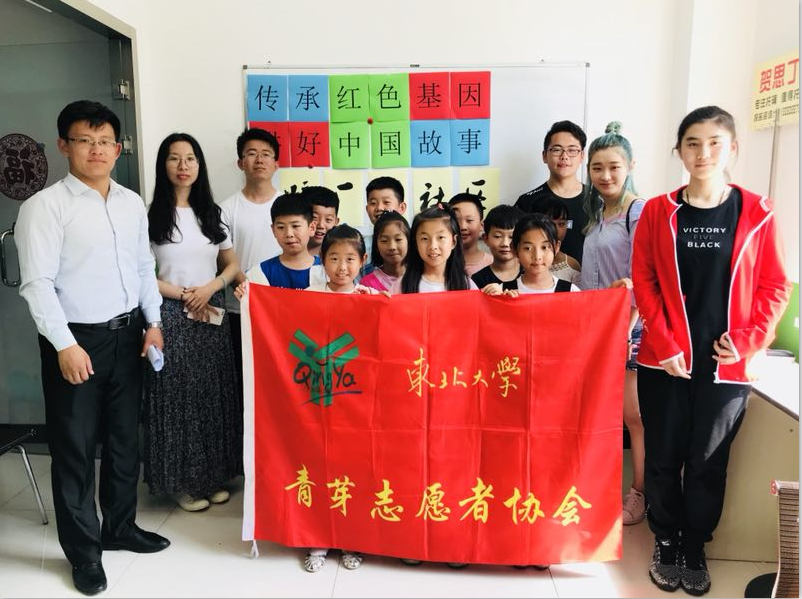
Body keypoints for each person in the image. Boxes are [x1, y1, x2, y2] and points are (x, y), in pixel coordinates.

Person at [632, 106, 791, 595]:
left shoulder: (757, 212)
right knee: (663, 455)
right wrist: (665, 342)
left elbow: (775, 286)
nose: (703, 153)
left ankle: (695, 544)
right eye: (693, 143)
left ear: (732, 149)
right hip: (666, 361)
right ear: (679, 151)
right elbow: (645, 279)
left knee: (708, 460)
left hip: (727, 365)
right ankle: (666, 539)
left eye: (714, 142)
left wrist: (749, 340)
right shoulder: (658, 211)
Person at [15, 100, 169, 596]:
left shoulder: (130, 202)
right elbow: (37, 284)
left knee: (124, 441)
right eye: (85, 140)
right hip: (76, 340)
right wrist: (64, 344)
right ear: (64, 145)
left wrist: (153, 322)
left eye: (105, 142)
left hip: (129, 336)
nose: (96, 150)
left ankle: (120, 528)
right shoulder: (44, 207)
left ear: (118, 149)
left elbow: (143, 267)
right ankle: (84, 553)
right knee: (76, 449)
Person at [144, 133, 242, 513]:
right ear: (163, 166)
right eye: (174, 158)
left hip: (211, 310)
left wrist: (212, 287)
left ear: (199, 165)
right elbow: (139, 272)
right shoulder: (150, 215)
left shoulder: (212, 213)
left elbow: (231, 264)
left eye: (190, 158)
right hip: (170, 312)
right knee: (177, 398)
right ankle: (181, 482)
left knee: (212, 394)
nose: (183, 166)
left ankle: (212, 476)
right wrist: (183, 294)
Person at [580, 122, 647, 528]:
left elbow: (642, 276)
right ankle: (598, 491)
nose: (605, 176)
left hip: (628, 329)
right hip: (597, 327)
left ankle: (639, 493)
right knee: (602, 416)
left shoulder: (638, 212)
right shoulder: (598, 215)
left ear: (630, 166)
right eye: (597, 168)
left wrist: (626, 329)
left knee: (633, 417)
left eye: (614, 167)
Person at [303, 224, 378, 572]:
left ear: (363, 261)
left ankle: (351, 538)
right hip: (318, 397)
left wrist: (378, 307)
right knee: (321, 464)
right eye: (334, 258)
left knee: (354, 469)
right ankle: (318, 538)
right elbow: (281, 319)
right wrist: (249, 295)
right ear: (322, 260)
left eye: (350, 259)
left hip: (358, 400)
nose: (342, 267)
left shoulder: (370, 297)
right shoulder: (308, 296)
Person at [219, 128, 282, 413]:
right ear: (240, 162)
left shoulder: (288, 206)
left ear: (276, 163)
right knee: (246, 387)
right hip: (240, 310)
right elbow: (225, 261)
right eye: (252, 153)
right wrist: (254, 296)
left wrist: (272, 301)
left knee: (282, 386)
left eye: (266, 154)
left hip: (284, 311)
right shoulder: (226, 209)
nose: (259, 159)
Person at [515, 120, 589, 264]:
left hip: (588, 278)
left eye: (572, 150)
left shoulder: (596, 200)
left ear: (582, 156)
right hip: (537, 277)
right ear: (544, 155)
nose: (564, 156)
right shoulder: (527, 202)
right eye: (556, 149)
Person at [235, 192, 324, 290]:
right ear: (273, 230)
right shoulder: (259, 273)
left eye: (295, 226)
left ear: (312, 228)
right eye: (281, 227)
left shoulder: (326, 271)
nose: (289, 234)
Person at [486, 214, 580, 296]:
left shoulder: (571, 292)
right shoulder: (504, 291)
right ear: (515, 249)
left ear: (556, 247)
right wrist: (496, 299)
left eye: (544, 247)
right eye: (528, 248)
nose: (537, 256)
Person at [393, 205, 477, 295]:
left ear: (453, 241)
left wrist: (488, 294)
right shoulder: (402, 285)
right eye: (425, 238)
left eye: (441, 237)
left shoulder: (466, 285)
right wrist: (383, 299)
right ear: (416, 242)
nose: (433, 246)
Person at [528, 196, 582, 286]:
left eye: (561, 224)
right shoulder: (521, 263)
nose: (556, 230)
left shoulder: (572, 265)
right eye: (549, 223)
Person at [471, 204, 525, 292]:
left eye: (511, 237)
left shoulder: (531, 274)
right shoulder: (478, 279)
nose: (505, 243)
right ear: (486, 239)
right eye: (497, 236)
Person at [363, 176, 407, 274]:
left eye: (386, 202)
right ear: (367, 209)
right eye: (373, 203)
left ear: (401, 207)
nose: (379, 208)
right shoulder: (361, 247)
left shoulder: (415, 243)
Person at [359, 210, 409, 292]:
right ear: (376, 246)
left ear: (409, 242)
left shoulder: (419, 280)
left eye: (398, 239)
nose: (392, 247)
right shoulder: (366, 285)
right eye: (384, 241)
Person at [448, 192, 493, 276]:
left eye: (469, 220)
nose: (462, 227)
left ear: (481, 225)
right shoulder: (439, 263)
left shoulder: (493, 264)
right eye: (456, 220)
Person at [305, 186, 340, 257]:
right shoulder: (287, 256)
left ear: (336, 222)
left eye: (328, 220)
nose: (321, 225)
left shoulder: (337, 258)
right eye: (314, 218)